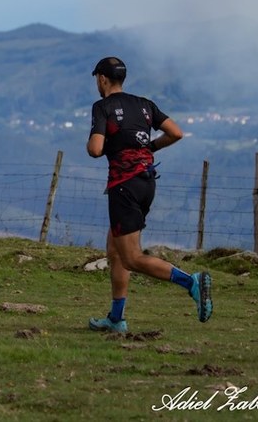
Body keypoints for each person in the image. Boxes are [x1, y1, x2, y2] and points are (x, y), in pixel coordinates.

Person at [86, 56, 212, 333]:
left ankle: (191, 281)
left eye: (97, 78)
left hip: (124, 185)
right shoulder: (144, 104)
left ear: (102, 79)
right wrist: (149, 149)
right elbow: (176, 133)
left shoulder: (102, 107)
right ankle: (116, 319)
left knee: (131, 257)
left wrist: (100, 143)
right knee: (115, 251)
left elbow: (95, 149)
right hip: (146, 183)